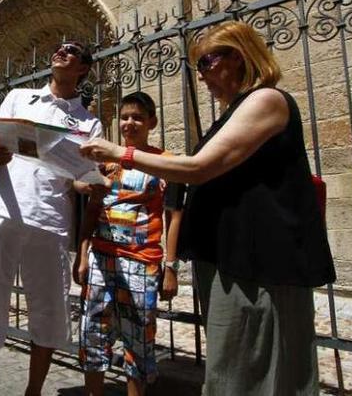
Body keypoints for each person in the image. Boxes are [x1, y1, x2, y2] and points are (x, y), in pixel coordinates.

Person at [80, 21, 336, 395]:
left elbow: (198, 169)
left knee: (250, 375)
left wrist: (121, 153)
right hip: (230, 261)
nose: (201, 77)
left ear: (237, 58)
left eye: (206, 63)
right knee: (234, 373)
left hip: (259, 265)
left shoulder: (266, 100)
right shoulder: (235, 111)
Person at [0, 41, 103, 396]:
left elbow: (84, 175)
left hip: (50, 217)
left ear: (82, 68)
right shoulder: (20, 97)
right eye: (59, 48)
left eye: (71, 51)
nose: (61, 52)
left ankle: (33, 392)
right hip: (3, 210)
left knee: (49, 306)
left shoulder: (89, 122)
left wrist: (89, 185)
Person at [73, 92, 183, 396]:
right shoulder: (107, 162)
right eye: (124, 117)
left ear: (152, 122)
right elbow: (92, 208)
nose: (129, 123)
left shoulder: (165, 162)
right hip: (101, 259)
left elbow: (175, 216)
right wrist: (82, 255)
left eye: (137, 117)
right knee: (93, 334)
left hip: (142, 262)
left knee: (139, 341)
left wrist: (170, 268)